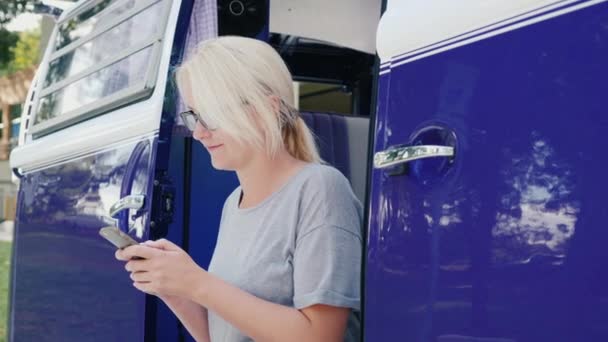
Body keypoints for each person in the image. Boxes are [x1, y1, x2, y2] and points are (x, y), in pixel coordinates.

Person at [115, 36, 363, 342]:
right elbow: (221, 335)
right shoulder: (234, 203)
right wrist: (174, 287)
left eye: (213, 114)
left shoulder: (321, 189)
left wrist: (196, 282)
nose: (201, 133)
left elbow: (320, 337)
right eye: (194, 116)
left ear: (267, 109)